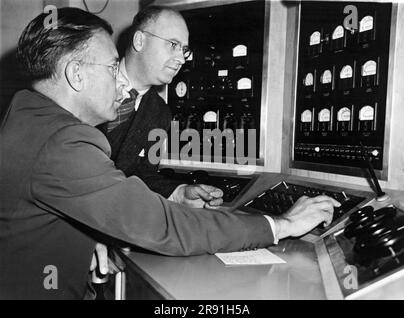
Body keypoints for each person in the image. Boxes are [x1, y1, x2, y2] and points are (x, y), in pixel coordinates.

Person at [0, 7, 339, 299]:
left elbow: (66, 197)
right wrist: (281, 224)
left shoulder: (24, 110)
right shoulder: (64, 140)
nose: (119, 84)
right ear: (75, 74)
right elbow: (164, 225)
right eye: (110, 67)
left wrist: (83, 238)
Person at [98, 6, 223, 208]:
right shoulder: (89, 83)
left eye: (184, 50)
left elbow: (143, 176)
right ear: (140, 41)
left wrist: (179, 192)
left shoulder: (161, 113)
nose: (182, 59)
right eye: (173, 44)